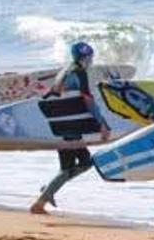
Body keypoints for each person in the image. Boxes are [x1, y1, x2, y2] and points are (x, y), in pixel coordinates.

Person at [30, 41, 111, 214]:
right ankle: (41, 200)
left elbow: (51, 95)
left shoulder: (64, 71)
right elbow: (87, 99)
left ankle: (49, 189)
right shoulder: (79, 73)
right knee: (75, 166)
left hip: (61, 124)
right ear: (84, 57)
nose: (91, 61)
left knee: (81, 163)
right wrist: (102, 123)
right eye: (90, 57)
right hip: (70, 127)